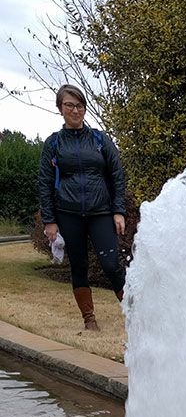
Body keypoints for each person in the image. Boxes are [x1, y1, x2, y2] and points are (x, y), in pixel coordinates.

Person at [38, 83, 127, 332]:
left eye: (79, 105)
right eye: (69, 105)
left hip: (101, 212)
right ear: (60, 108)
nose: (75, 110)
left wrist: (118, 210)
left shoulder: (100, 140)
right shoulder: (53, 144)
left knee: (111, 265)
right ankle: (89, 320)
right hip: (68, 214)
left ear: (84, 108)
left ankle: (135, 314)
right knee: (79, 266)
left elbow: (117, 175)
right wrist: (49, 220)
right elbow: (44, 183)